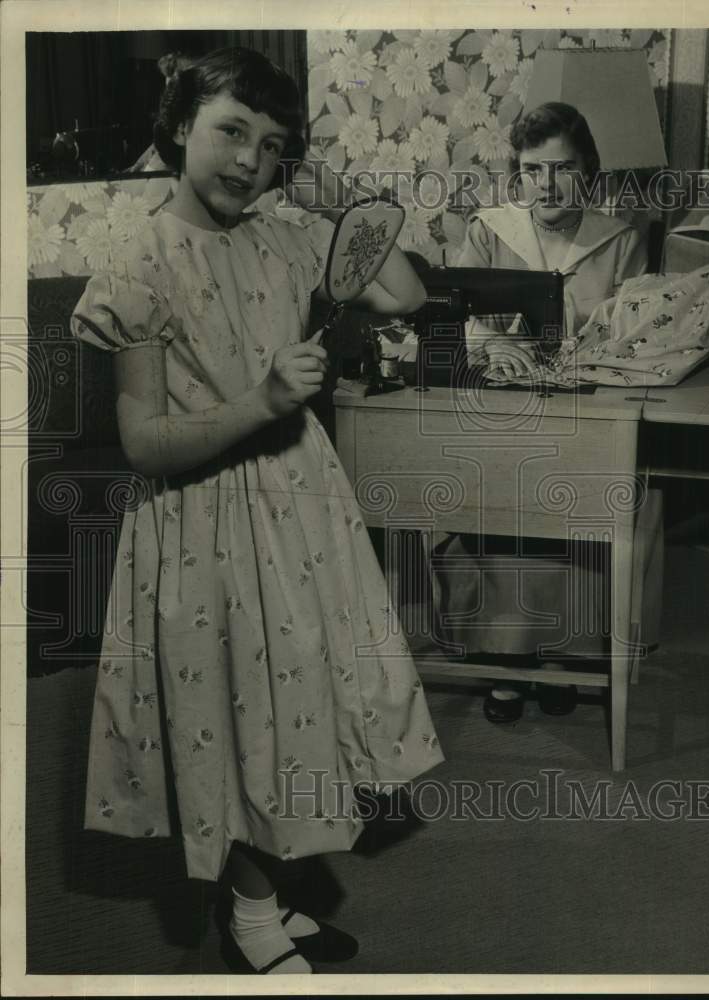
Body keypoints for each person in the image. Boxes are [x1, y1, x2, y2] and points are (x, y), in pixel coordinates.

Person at [71, 47, 444, 975]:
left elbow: (407, 292)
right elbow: (144, 442)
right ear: (178, 130)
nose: (249, 160)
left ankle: (269, 891)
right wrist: (264, 404)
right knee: (231, 719)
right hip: (202, 525)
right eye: (230, 131)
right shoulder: (139, 259)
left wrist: (327, 190)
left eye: (272, 146)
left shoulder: (285, 233)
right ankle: (250, 913)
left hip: (302, 513)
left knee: (298, 699)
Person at [434, 101, 661, 723]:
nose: (547, 185)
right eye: (533, 170)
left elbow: (633, 330)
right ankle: (507, 660)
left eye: (562, 169)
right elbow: (459, 316)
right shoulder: (489, 230)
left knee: (585, 494)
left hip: (587, 406)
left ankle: (566, 656)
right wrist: (493, 343)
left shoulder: (621, 241)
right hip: (502, 410)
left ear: (587, 168)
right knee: (507, 497)